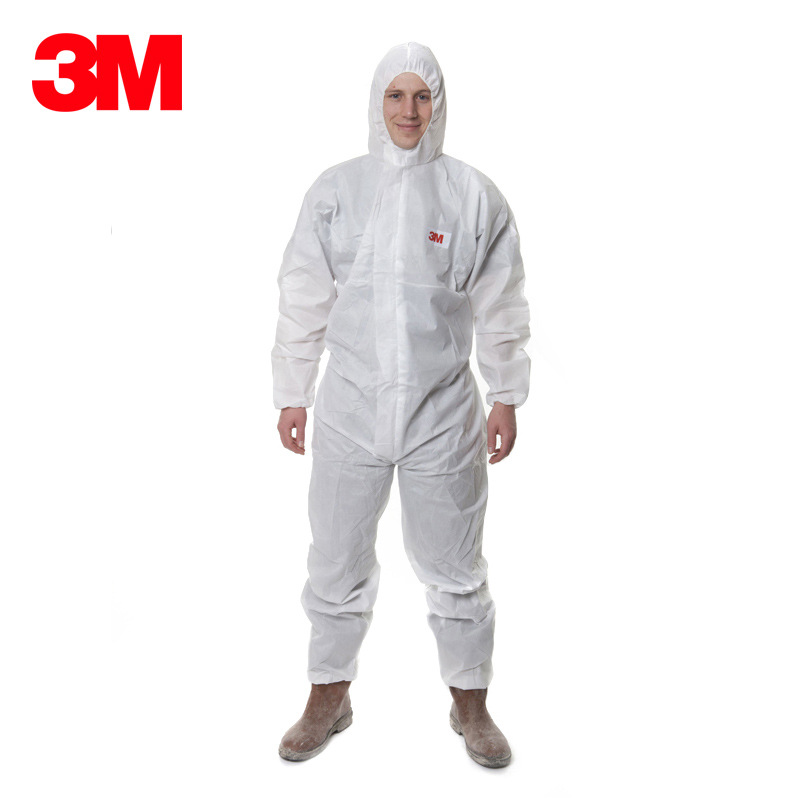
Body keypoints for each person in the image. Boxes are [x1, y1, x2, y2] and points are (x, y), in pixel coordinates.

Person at [271, 42, 531, 768]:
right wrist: (292, 392)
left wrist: (506, 393)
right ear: (377, 102)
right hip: (350, 409)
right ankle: (328, 695)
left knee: (456, 565)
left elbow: (502, 300)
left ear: (438, 105)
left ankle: (470, 702)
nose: (409, 111)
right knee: (335, 559)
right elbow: (303, 294)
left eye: (422, 97)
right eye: (396, 96)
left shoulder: (471, 195)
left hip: (441, 413)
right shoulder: (337, 190)